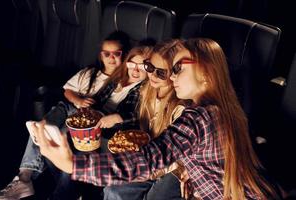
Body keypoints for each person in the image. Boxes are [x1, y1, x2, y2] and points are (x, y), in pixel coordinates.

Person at [33, 38, 280, 199]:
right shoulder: (226, 110)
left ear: (207, 73)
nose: (171, 77)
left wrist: (74, 165)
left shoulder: (198, 117)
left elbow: (149, 159)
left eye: (177, 68)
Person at [0, 30, 130, 200]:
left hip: (90, 122)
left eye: (116, 54)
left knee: (66, 137)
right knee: (43, 125)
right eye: (107, 54)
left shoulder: (122, 81)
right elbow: (67, 90)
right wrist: (79, 100)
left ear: (124, 55)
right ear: (100, 56)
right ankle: (25, 177)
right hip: (70, 108)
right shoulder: (90, 73)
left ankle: (59, 190)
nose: (111, 58)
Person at [47, 44, 153, 200]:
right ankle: (78, 191)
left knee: (74, 159)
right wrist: (87, 110)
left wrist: (119, 118)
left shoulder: (145, 88)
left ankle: (63, 195)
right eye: (132, 64)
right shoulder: (116, 79)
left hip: (111, 135)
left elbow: (140, 115)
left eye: (142, 66)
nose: (136, 70)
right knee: (56, 147)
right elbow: (98, 101)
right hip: (95, 125)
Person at [103, 39, 186, 200]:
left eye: (161, 72)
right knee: (111, 189)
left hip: (167, 165)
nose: (153, 75)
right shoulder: (146, 90)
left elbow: (178, 157)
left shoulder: (180, 106)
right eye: (149, 67)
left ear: (175, 73)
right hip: (146, 157)